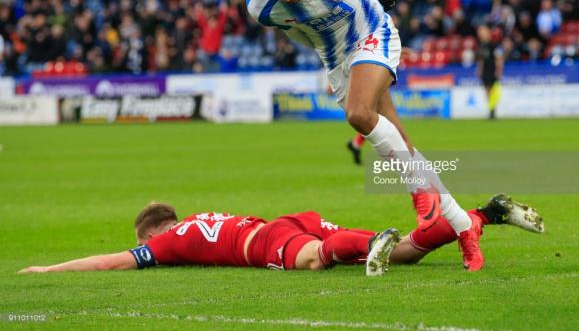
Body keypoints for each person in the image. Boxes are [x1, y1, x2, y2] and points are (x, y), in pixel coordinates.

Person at [246, 0, 484, 270]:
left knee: (358, 114)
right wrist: (325, 60)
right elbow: (293, 30)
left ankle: (420, 191)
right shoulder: (259, 8)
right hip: (337, 60)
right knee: (402, 142)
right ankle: (465, 227)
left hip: (372, 33)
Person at [19, 195, 543, 275]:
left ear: (153, 230)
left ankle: (367, 245)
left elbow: (113, 261)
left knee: (317, 260)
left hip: (269, 243)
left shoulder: (167, 240)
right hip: (290, 220)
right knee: (407, 254)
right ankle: (479, 215)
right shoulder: (206, 213)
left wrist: (50, 269)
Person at [476, 25, 504, 119]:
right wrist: (479, 69)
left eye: (483, 32)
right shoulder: (480, 45)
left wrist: (498, 70)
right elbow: (480, 60)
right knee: (487, 90)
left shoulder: (494, 45)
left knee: (493, 90)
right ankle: (491, 109)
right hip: (485, 70)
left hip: (492, 69)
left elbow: (499, 58)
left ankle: (493, 109)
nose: (481, 35)